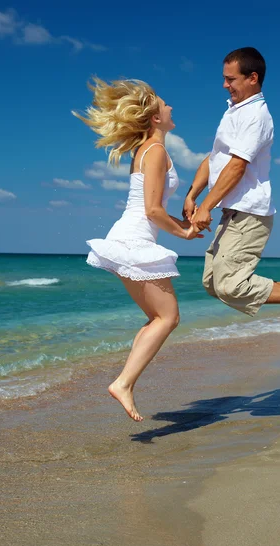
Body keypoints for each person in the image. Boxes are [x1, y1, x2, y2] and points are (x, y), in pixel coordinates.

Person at [74, 78, 204, 422]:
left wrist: (185, 223)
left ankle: (125, 381)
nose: (171, 107)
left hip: (129, 237)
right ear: (155, 118)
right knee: (169, 317)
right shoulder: (156, 150)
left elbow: (151, 205)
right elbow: (151, 211)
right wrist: (184, 234)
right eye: (165, 104)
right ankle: (123, 383)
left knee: (157, 319)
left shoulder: (147, 149)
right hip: (134, 241)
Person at [184, 47, 280, 321]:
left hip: (250, 213)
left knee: (230, 285)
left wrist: (206, 206)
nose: (225, 84)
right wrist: (192, 195)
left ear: (252, 78)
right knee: (212, 284)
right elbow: (215, 158)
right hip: (232, 212)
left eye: (230, 79)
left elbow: (237, 166)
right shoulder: (233, 112)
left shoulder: (256, 116)